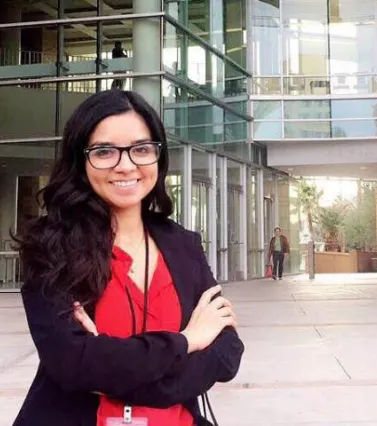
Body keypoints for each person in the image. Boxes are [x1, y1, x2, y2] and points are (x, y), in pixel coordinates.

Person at [11, 90, 244, 426]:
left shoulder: (182, 245)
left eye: (141, 149)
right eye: (105, 151)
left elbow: (227, 353)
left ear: (157, 156)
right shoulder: (50, 246)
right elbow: (73, 364)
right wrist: (188, 340)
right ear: (81, 159)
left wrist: (113, 370)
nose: (126, 165)